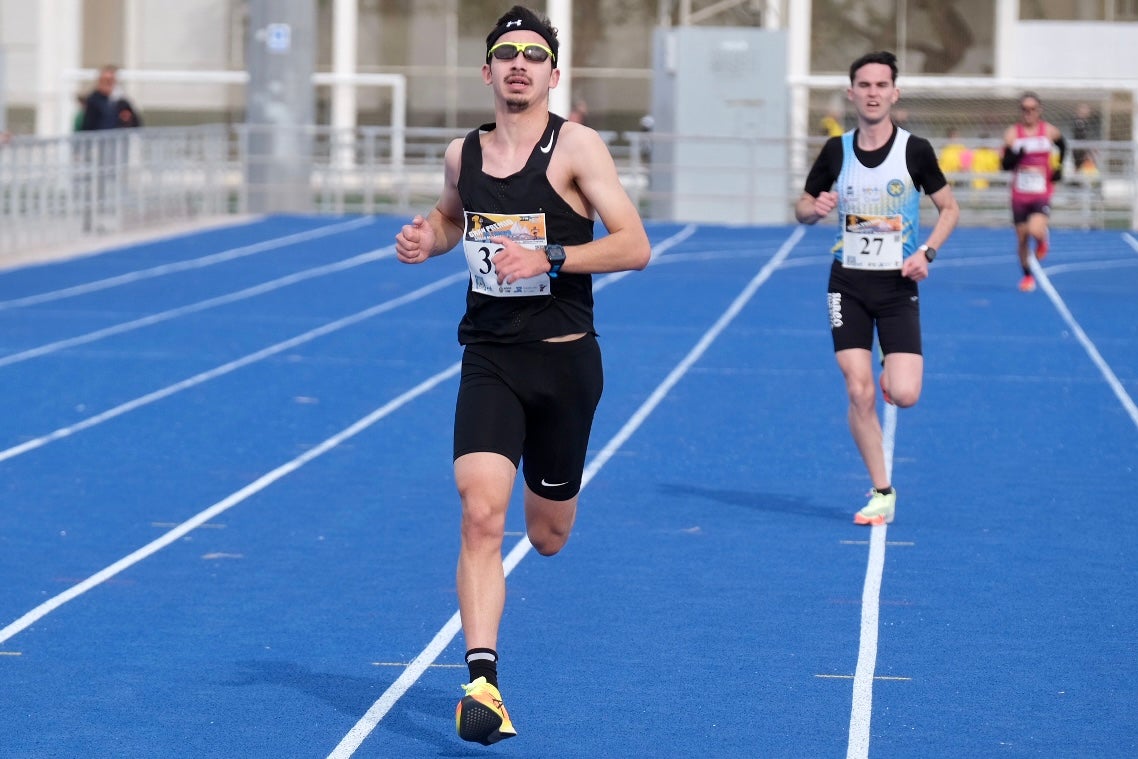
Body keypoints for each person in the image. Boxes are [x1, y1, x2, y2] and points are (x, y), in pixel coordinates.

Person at [394, 4, 650, 746]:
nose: (518, 64)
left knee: (547, 536)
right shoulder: (461, 154)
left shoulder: (578, 148)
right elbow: (452, 219)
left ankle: (554, 504)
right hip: (490, 357)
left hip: (567, 362)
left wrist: (554, 256)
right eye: (505, 53)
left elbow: (635, 245)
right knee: (479, 511)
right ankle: (482, 681)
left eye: (532, 55)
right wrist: (426, 237)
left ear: (551, 72)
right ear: (486, 70)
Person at [794, 51, 959, 527]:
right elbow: (802, 208)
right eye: (863, 85)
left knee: (904, 394)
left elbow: (949, 208)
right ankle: (882, 489)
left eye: (880, 85)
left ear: (894, 93)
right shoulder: (835, 151)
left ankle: (893, 366)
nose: (871, 92)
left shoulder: (916, 151)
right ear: (851, 93)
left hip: (897, 284)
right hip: (846, 283)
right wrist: (815, 207)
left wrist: (927, 253)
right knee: (859, 390)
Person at [1001, 92, 1065, 292]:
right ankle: (1027, 276)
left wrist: (1058, 168)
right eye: (1024, 109)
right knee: (1021, 238)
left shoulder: (1048, 131)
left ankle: (1042, 239)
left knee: (1035, 229)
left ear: (1039, 110)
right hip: (1019, 194)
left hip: (1041, 192)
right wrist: (1016, 157)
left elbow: (1063, 145)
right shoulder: (1013, 134)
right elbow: (1004, 165)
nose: (1028, 113)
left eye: (1032, 109)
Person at [80, 65, 142, 131]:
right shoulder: (93, 101)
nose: (108, 84)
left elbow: (136, 123)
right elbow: (87, 126)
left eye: (111, 81)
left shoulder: (122, 102)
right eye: (105, 80)